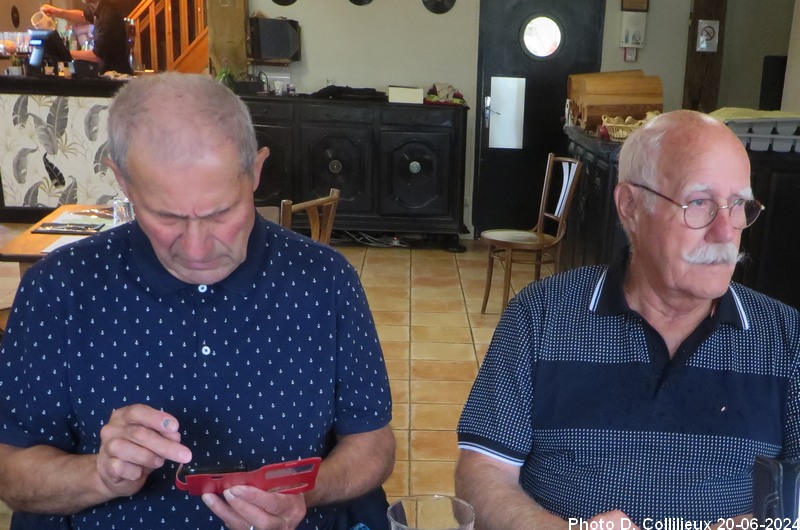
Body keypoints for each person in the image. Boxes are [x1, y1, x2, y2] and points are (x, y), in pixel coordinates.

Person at [0, 72, 395, 530]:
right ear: (122, 180)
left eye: (221, 212)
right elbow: (12, 471)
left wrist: (303, 494)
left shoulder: (325, 279)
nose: (196, 248)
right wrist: (100, 475)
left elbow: (373, 445)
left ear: (256, 170)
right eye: (166, 216)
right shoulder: (58, 288)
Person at [456, 110, 800, 530]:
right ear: (631, 207)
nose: (726, 232)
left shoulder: (787, 339)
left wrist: (761, 525)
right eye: (699, 203)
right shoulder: (541, 315)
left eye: (739, 205)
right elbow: (482, 472)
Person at [40, 0, 132, 74]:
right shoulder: (97, 7)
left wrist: (62, 52)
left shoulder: (108, 16)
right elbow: (83, 16)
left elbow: (97, 56)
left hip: (116, 80)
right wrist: (57, 12)